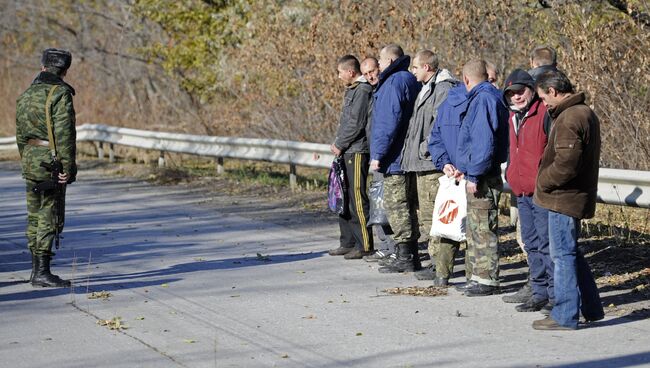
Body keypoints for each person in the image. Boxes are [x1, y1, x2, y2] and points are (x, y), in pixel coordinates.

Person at [532, 70, 604, 330]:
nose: (543, 104)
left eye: (542, 98)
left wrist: (542, 181)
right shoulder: (582, 113)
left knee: (562, 255)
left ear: (552, 92)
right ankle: (592, 308)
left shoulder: (570, 117)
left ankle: (564, 315)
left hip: (564, 198)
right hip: (572, 196)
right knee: (572, 253)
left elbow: (566, 165)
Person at [16, 48, 77, 288]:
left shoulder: (27, 93)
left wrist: (26, 157)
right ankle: (42, 271)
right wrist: (68, 168)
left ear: (43, 67)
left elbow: (20, 133)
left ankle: (35, 269)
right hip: (50, 161)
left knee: (34, 213)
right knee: (49, 214)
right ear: (64, 71)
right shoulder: (60, 94)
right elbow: (64, 134)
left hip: (30, 157)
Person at [400, 50, 458, 283]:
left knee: (435, 218)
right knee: (427, 218)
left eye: (415, 67)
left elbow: (439, 125)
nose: (413, 72)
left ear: (427, 67)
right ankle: (436, 264)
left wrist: (425, 148)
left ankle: (441, 267)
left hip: (432, 163)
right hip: (421, 163)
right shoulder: (427, 87)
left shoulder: (443, 89)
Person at [500, 69, 554, 313]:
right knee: (530, 243)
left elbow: (552, 152)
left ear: (531, 90)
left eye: (521, 91)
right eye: (512, 93)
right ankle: (539, 291)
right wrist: (511, 173)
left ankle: (554, 296)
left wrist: (544, 180)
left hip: (541, 191)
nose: (517, 97)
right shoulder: (513, 117)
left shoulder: (544, 113)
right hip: (521, 190)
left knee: (546, 245)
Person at [455, 60, 509, 296]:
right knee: (476, 227)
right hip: (479, 171)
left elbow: (482, 141)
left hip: (484, 175)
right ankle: (478, 275)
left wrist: (474, 174)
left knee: (484, 227)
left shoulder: (483, 99)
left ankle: (487, 279)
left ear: (466, 79)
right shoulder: (486, 96)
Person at [369, 44, 421, 273]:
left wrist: (378, 154)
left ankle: (405, 257)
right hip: (408, 154)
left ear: (390, 61)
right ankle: (411, 254)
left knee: (397, 207)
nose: (378, 66)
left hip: (395, 157)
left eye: (380, 61)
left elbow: (387, 122)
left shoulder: (393, 83)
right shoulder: (409, 78)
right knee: (407, 207)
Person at [327, 55, 374, 259]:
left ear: (350, 72)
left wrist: (340, 144)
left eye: (340, 72)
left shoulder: (363, 91)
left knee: (356, 197)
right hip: (346, 150)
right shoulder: (352, 90)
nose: (338, 77)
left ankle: (364, 243)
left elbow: (356, 123)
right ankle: (347, 241)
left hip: (356, 150)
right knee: (343, 197)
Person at [428, 83, 470, 286]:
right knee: (475, 228)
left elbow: (434, 138)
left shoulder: (445, 106)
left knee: (449, 222)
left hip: (452, 173)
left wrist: (445, 163)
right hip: (470, 173)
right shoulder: (479, 102)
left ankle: (442, 274)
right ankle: (474, 276)